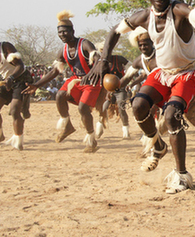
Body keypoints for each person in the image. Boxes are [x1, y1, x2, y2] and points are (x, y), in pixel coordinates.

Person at [82, 0, 195, 194]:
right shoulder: (145, 16)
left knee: (171, 116)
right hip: (162, 72)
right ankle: (158, 145)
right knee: (137, 106)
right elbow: (115, 31)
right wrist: (103, 59)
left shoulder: (179, 10)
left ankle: (181, 175)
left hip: (187, 73)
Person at [23, 11, 102, 153]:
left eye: (65, 32)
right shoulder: (63, 50)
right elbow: (55, 71)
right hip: (76, 81)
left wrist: (89, 75)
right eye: (59, 32)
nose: (62, 35)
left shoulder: (84, 44)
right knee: (59, 96)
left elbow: (98, 61)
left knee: (83, 108)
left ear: (72, 31)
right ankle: (67, 125)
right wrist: (37, 85)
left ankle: (91, 139)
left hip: (91, 80)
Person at [0, 41, 32, 150]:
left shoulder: (5, 48)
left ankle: (18, 140)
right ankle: (0, 134)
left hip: (20, 80)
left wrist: (11, 78)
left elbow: (20, 66)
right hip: (5, 81)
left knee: (14, 110)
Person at [95, 42, 131, 139]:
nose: (104, 53)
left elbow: (131, 67)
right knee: (104, 107)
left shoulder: (119, 59)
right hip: (107, 89)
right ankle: (100, 125)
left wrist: (128, 79)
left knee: (121, 107)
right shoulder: (101, 63)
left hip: (121, 87)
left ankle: (126, 130)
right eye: (102, 51)